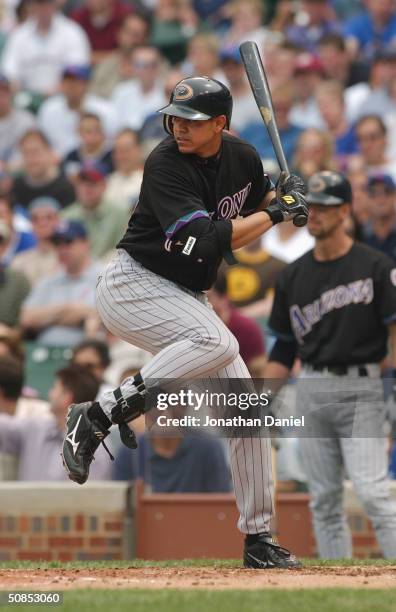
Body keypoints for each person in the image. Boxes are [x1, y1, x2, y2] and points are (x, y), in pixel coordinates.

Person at [61, 75, 308, 569]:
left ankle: (258, 538)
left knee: (245, 411)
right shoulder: (163, 163)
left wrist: (282, 195)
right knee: (215, 339)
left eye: (191, 120)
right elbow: (210, 237)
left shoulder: (243, 159)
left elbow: (247, 212)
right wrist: (277, 215)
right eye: (173, 117)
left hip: (186, 294)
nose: (178, 126)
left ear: (220, 123)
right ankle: (101, 413)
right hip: (133, 285)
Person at [264, 170, 396, 559]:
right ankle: (340, 586)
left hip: (363, 386)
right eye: (312, 207)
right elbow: (283, 351)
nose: (315, 214)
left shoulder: (374, 266)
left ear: (343, 212)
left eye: (324, 207)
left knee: (373, 494)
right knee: (323, 499)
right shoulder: (292, 276)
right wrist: (261, 401)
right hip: (312, 387)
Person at [0, 364, 111, 480]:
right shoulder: (37, 427)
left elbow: (92, 495)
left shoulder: (97, 449)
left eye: (55, 388)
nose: (50, 393)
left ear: (66, 397)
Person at [20, 220, 101, 348]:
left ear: (86, 243)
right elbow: (26, 318)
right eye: (57, 243)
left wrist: (48, 318)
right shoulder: (50, 279)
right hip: (44, 351)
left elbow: (100, 317)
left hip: (84, 353)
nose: (62, 249)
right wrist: (68, 310)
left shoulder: (104, 276)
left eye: (68, 242)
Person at [1, 0, 90, 97]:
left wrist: (55, 91)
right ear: (31, 6)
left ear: (55, 5)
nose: (43, 9)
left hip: (62, 98)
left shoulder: (73, 32)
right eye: (39, 4)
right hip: (24, 98)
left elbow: (77, 72)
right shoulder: (19, 35)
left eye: (47, 3)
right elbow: (9, 72)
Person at [11, 196, 61, 286]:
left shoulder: (67, 258)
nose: (42, 223)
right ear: (31, 224)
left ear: (59, 221)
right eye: (35, 219)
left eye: (49, 218)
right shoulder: (19, 262)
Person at [361, 173, 396, 261]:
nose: (380, 199)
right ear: (366, 198)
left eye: (386, 191)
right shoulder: (360, 234)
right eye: (373, 193)